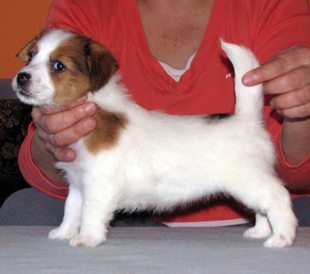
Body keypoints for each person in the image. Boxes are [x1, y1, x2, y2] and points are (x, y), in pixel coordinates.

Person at [1, 0, 310, 227]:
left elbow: (298, 173)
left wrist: (302, 109)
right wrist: (53, 136)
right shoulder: (83, 7)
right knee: (24, 208)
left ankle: (273, 216)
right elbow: (48, 175)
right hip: (131, 215)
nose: (30, 69)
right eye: (33, 57)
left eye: (55, 65)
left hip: (255, 203)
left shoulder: (274, 5)